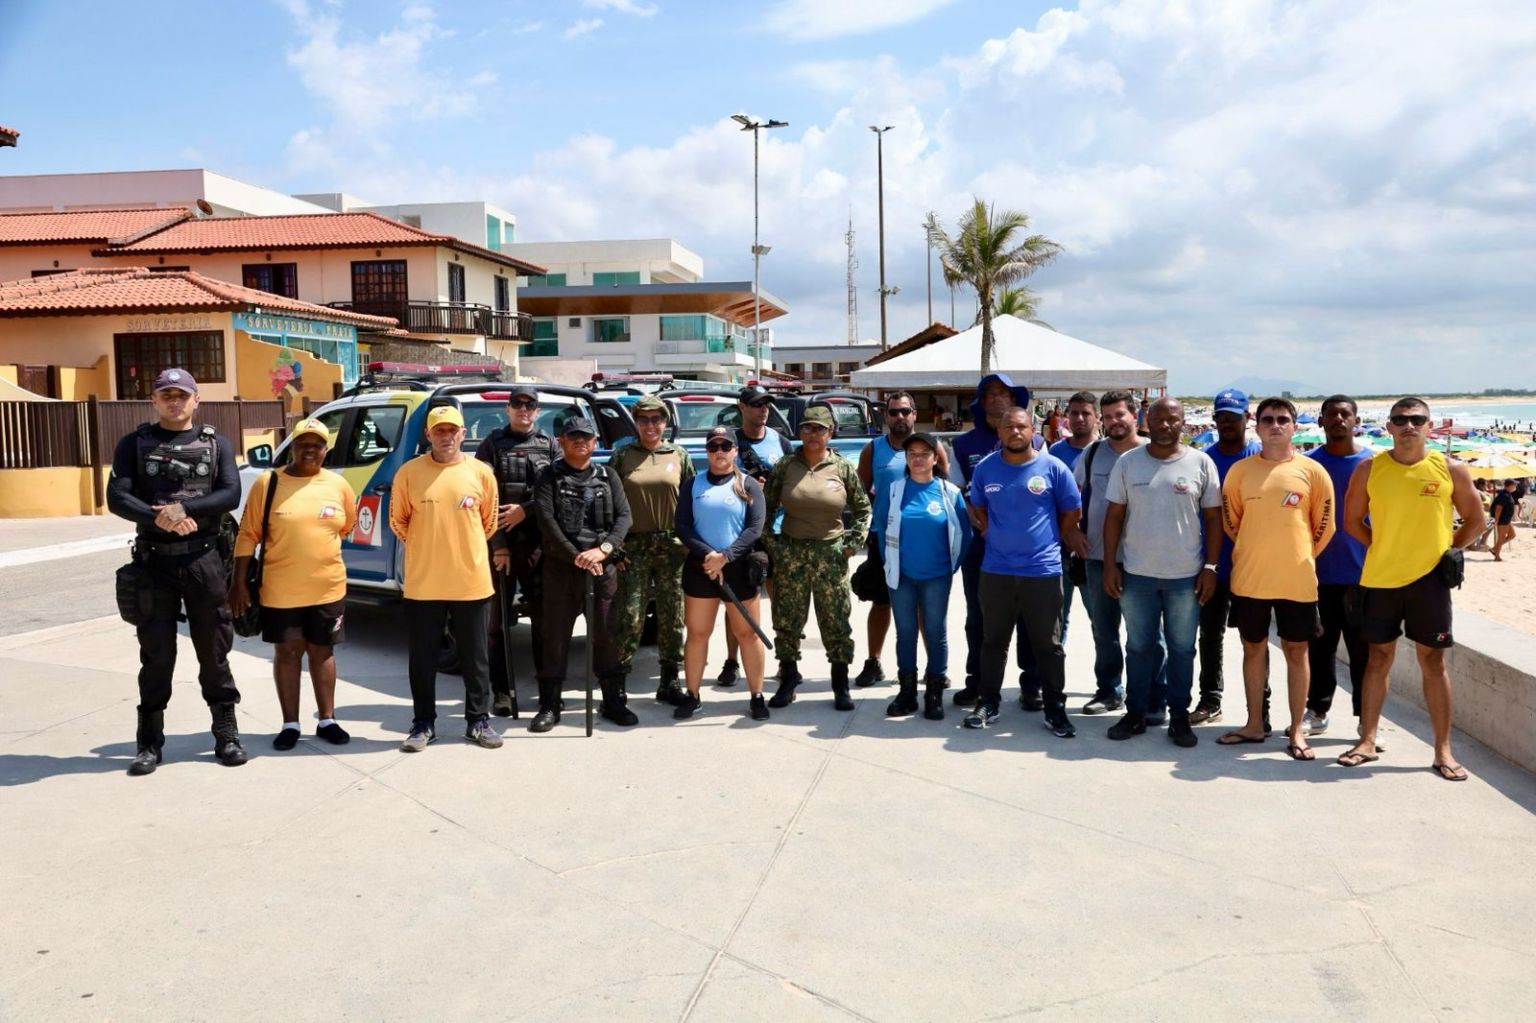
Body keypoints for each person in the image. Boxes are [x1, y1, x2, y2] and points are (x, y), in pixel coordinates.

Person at [107, 368, 246, 775]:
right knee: (156, 656)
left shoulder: (216, 443)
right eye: (166, 394)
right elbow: (117, 496)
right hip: (154, 563)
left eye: (181, 395)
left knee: (214, 652)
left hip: (203, 561)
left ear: (195, 400)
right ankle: (149, 743)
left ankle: (226, 735)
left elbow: (230, 493)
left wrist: (184, 509)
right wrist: (160, 520)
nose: (174, 401)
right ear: (154, 400)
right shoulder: (134, 444)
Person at [1339, 397, 1484, 780]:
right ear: (1389, 427)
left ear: (1428, 426)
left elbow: (1474, 519)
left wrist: (1449, 549)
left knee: (1433, 663)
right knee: (1377, 660)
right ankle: (1367, 740)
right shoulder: (1370, 469)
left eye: (1416, 419)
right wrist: (1384, 546)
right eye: (1400, 420)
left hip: (1431, 583)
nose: (1408, 426)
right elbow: (1352, 521)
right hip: (1380, 579)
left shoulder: (1449, 469)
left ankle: (1443, 751)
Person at [1216, 397, 1336, 759]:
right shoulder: (1239, 471)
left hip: (1297, 580)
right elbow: (1231, 521)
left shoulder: (1313, 472)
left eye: (1283, 419)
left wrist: (1296, 554)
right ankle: (1254, 724)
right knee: (1252, 649)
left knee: (1297, 653)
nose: (1275, 425)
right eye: (1267, 419)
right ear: (1256, 425)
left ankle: (1298, 730)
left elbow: (1323, 526)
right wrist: (1259, 549)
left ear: (1294, 426)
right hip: (1250, 579)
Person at [1100, 397, 1222, 747]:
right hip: (1137, 574)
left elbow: (1214, 519)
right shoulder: (1128, 463)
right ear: (1146, 421)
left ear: (1184, 422)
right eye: (1159, 419)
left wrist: (1210, 567)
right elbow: (1114, 516)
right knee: (1139, 647)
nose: (1166, 425)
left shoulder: (1201, 463)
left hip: (1186, 576)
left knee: (1183, 649)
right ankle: (1136, 712)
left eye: (1174, 419)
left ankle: (1179, 717)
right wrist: (1110, 564)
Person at [230, 418, 357, 750]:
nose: (310, 450)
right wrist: (238, 583)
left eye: (317, 444)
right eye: (303, 444)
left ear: (325, 450)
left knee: (322, 650)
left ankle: (327, 719)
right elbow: (247, 535)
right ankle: (290, 724)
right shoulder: (268, 483)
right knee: (287, 652)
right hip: (280, 590)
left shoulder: (338, 485)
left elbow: (346, 526)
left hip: (327, 587)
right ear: (292, 447)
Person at [964, 407, 1084, 736]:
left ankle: (1055, 707)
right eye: (1008, 427)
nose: (1015, 432)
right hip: (997, 570)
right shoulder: (986, 469)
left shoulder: (1053, 468)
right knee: (993, 640)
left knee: (1048, 644)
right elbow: (977, 507)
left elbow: (1072, 510)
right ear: (999, 432)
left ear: (1033, 430)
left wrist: (1052, 539)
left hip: (1042, 571)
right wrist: (990, 532)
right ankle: (988, 702)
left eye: (1021, 426)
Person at [389, 405, 502, 752]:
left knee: (476, 656)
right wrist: (428, 548)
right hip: (424, 583)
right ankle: (423, 723)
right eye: (439, 430)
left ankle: (478, 721)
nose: (446, 436)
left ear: (464, 434)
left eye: (453, 430)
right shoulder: (409, 473)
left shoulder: (481, 473)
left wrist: (460, 549)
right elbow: (399, 522)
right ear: (428, 435)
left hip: (471, 581)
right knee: (422, 658)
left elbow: (489, 523)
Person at [763, 405, 871, 710]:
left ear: (830, 433)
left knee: (835, 619)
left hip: (831, 553)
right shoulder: (786, 466)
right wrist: (775, 545)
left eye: (820, 429)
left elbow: (863, 508)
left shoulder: (842, 467)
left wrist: (851, 545)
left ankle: (840, 683)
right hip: (792, 551)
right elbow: (765, 510)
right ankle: (788, 677)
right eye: (808, 428)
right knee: (787, 620)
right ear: (800, 432)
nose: (813, 434)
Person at [531, 417, 636, 730]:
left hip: (602, 567)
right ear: (562, 441)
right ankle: (550, 705)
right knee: (555, 638)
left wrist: (603, 551)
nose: (580, 442)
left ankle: (614, 701)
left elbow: (624, 518)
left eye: (586, 437)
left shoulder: (608, 476)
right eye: (573, 436)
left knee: (607, 634)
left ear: (595, 442)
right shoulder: (548, 477)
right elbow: (547, 522)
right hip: (561, 568)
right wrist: (577, 556)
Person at [951, 373, 1045, 711]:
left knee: (1028, 620)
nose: (996, 398)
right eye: (988, 393)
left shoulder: (1036, 444)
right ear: (980, 401)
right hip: (981, 551)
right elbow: (958, 493)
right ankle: (977, 682)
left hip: (1028, 552)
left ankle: (1032, 684)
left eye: (1003, 392)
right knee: (978, 619)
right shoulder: (962, 444)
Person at [853, 391, 950, 688]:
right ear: (886, 416)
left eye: (905, 411)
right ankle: (874, 661)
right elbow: (859, 493)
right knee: (881, 603)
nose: (899, 417)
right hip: (885, 541)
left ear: (914, 414)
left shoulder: (934, 447)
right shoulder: (873, 449)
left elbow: (945, 489)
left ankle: (934, 668)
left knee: (924, 608)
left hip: (923, 543)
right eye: (894, 412)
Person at [674, 427, 769, 719]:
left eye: (725, 446)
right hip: (701, 567)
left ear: (735, 451)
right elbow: (683, 526)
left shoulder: (748, 485)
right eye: (713, 446)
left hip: (737, 568)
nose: (719, 452)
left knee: (746, 634)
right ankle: (692, 695)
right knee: (697, 633)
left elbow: (755, 527)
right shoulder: (693, 484)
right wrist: (709, 556)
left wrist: (725, 557)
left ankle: (756, 695)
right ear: (707, 451)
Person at [476, 383, 558, 717]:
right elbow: (483, 497)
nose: (523, 410)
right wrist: (498, 545)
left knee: (544, 621)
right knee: (495, 625)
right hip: (502, 547)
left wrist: (526, 509)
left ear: (538, 411)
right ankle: (502, 691)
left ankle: (546, 690)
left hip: (538, 545)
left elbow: (557, 491)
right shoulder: (492, 444)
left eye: (530, 405)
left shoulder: (549, 445)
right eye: (517, 404)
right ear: (507, 409)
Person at [882, 432, 971, 720]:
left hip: (937, 575)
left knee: (935, 631)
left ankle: (934, 693)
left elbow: (964, 534)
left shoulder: (949, 492)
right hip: (902, 576)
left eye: (924, 453)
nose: (917, 459)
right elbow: (879, 529)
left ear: (936, 458)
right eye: (912, 454)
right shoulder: (895, 489)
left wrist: (951, 566)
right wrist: (889, 563)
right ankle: (907, 692)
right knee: (905, 632)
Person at [611, 395, 695, 704]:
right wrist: (614, 545)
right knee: (630, 614)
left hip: (671, 545)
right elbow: (610, 502)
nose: (650, 424)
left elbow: (690, 499)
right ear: (635, 422)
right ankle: (617, 681)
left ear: (665, 421)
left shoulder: (679, 455)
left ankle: (670, 680)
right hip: (633, 546)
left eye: (656, 418)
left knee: (672, 614)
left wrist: (690, 542)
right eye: (644, 419)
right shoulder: (622, 456)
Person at [1071, 390, 1147, 716]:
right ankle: (1108, 691)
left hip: (1143, 561)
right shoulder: (1091, 454)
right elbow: (1071, 496)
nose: (1114, 421)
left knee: (1145, 635)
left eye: (1121, 414)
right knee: (1104, 630)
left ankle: (1147, 696)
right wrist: (1071, 530)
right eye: (1109, 416)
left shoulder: (1151, 451)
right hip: (1098, 558)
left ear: (1133, 416)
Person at [1192, 388, 1261, 725]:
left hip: (1254, 567)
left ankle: (1259, 709)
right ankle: (1210, 700)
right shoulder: (1203, 459)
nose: (1227, 423)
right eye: (1222, 417)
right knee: (1210, 636)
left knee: (1255, 640)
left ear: (1247, 418)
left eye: (1234, 416)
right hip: (1213, 566)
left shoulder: (1260, 457)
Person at [1304, 396, 1372, 733]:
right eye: (1332, 414)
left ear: (1356, 421)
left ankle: (1366, 719)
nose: (1339, 419)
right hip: (1317, 576)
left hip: (1364, 577)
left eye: (1346, 414)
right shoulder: (1308, 465)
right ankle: (1317, 711)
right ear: (1321, 421)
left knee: (1364, 654)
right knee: (1319, 650)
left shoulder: (1373, 464)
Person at [718, 385, 792, 686]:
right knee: (734, 601)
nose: (763, 409)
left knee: (781, 600)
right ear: (742, 407)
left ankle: (785, 660)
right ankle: (732, 661)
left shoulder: (781, 442)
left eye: (766, 404)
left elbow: (792, 484)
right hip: (740, 532)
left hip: (775, 532)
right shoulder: (728, 443)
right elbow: (718, 480)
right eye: (756, 404)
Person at [1048, 391, 1099, 645]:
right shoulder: (1054, 452)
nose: (1079, 418)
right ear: (1066, 417)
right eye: (1074, 413)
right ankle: (1053, 682)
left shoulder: (1108, 450)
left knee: (1101, 622)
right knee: (1056, 622)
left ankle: (1110, 684)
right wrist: (1069, 531)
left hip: (1096, 552)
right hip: (1059, 551)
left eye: (1086, 413)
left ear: (1097, 417)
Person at [1491, 478, 1518, 561]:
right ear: (1510, 486)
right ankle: (1497, 556)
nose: (1516, 486)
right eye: (1514, 485)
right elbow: (1498, 508)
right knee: (1501, 537)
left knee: (1512, 535)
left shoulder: (1508, 494)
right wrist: (1496, 520)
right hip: (1502, 519)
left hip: (1507, 519)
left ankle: (1494, 549)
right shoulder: (1503, 495)